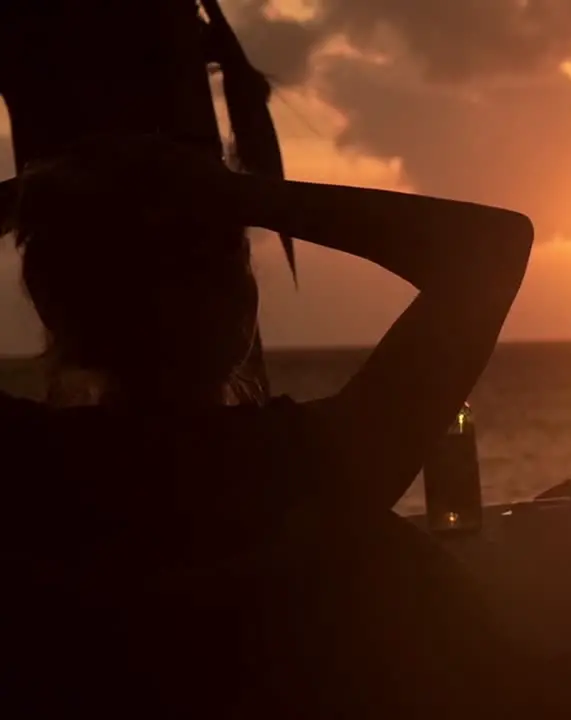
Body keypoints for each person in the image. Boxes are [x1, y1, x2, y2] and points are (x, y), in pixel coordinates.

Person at [0, 136, 534, 718]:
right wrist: (241, 197)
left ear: (53, 308)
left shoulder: (25, 471)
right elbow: (489, 246)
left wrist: (38, 202)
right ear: (240, 309)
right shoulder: (315, 468)